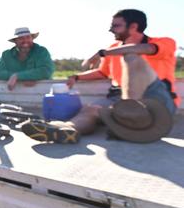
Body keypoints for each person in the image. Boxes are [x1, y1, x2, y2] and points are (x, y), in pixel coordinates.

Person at [21, 9, 178, 144]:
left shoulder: (164, 42)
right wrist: (77, 77)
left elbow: (147, 49)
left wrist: (103, 53)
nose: (111, 30)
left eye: (116, 26)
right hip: (119, 97)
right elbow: (103, 73)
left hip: (156, 99)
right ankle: (67, 129)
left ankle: (131, 115)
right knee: (91, 109)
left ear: (134, 26)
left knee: (131, 56)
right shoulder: (113, 48)